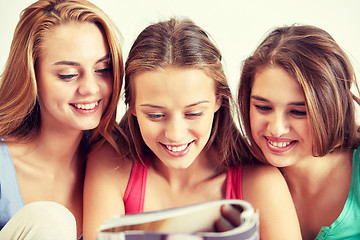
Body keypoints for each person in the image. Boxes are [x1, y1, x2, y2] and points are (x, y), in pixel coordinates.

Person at [83, 18, 302, 240]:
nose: (175, 134)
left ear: (218, 100)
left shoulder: (261, 183)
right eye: (156, 115)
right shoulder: (109, 163)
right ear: (131, 105)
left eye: (194, 113)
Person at [0, 0, 123, 239]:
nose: (90, 88)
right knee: (50, 220)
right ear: (31, 77)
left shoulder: (117, 159)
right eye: (68, 75)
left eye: (102, 69)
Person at [237, 24, 360, 240]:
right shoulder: (237, 175)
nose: (276, 128)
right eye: (263, 107)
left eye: (298, 112)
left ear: (331, 108)